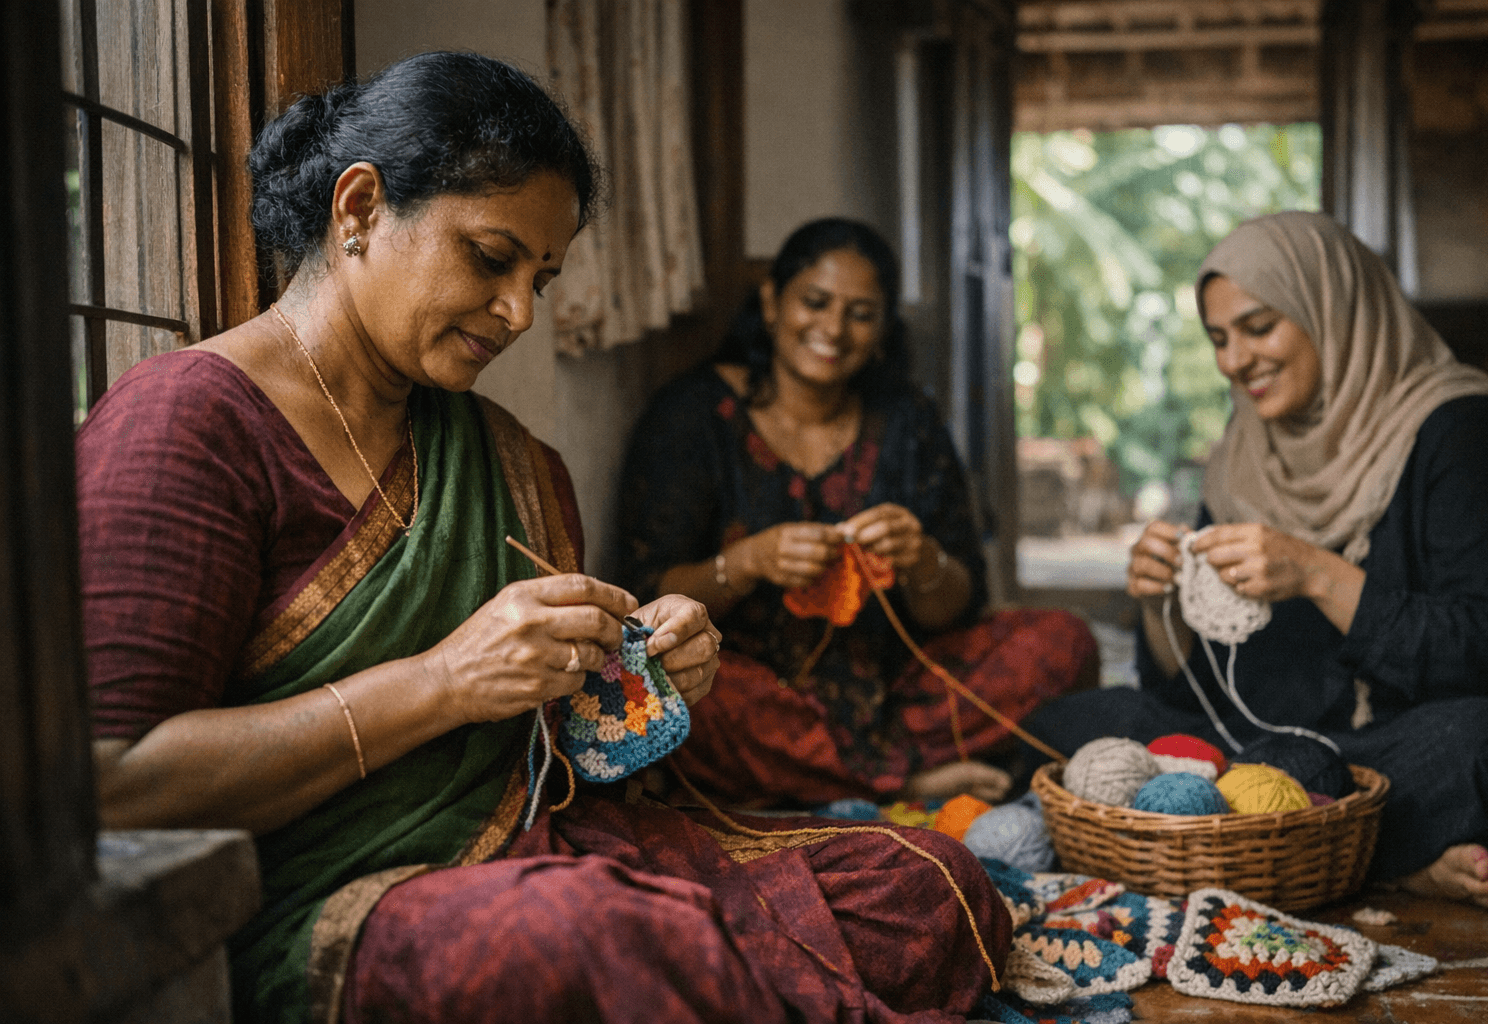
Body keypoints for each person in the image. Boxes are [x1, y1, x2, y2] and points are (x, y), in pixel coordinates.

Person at [77, 54, 1010, 1024]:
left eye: (542, 279)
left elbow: (557, 758)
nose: (520, 312)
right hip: (338, 902)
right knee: (600, 940)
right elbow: (111, 787)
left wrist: (641, 672)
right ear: (358, 210)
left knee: (930, 883)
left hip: (546, 851)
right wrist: (442, 681)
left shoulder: (510, 460)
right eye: (491, 258)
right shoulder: (188, 423)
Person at [1018, 211, 1488, 913]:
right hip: (1256, 749)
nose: (1234, 362)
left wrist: (1319, 575)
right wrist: (1160, 603)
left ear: (1334, 311)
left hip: (1389, 752)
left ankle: (1286, 843)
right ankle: (1374, 854)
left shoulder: (1459, 431)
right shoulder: (1247, 451)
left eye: (1258, 328)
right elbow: (1195, 695)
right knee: (1070, 725)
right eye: (1219, 340)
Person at [614, 218, 1099, 808]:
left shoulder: (907, 419)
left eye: (861, 314)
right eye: (815, 302)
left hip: (897, 692)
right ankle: (911, 784)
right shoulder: (692, 415)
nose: (834, 330)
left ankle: (821, 778)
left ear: (883, 328)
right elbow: (643, 605)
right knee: (678, 688)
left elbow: (959, 606)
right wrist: (745, 563)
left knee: (1064, 642)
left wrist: (921, 558)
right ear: (771, 302)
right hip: (755, 690)